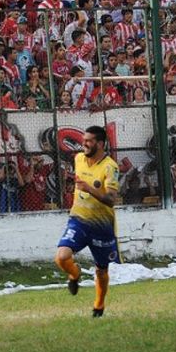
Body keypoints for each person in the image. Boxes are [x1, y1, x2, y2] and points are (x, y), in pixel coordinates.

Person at [54, 126, 120, 318]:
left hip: (102, 226)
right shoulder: (79, 159)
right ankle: (75, 275)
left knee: (101, 270)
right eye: (84, 140)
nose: (84, 143)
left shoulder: (110, 167)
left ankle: (98, 306)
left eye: (89, 141)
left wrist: (89, 189)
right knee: (61, 256)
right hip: (79, 220)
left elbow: (110, 199)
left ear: (100, 144)